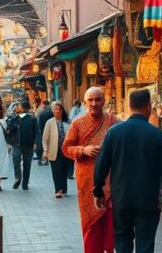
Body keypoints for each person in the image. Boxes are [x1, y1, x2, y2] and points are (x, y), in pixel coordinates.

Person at [93, 90, 162, 253]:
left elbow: (101, 165)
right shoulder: (157, 135)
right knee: (145, 243)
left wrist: (98, 191)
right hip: (148, 200)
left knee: (122, 240)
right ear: (149, 107)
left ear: (130, 107)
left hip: (121, 198)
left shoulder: (114, 133)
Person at [63, 87, 119, 253]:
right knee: (91, 221)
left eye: (97, 99)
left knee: (110, 220)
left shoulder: (114, 121)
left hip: (110, 179)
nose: (94, 103)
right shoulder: (77, 124)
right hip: (87, 180)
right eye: (90, 100)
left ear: (104, 101)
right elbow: (66, 148)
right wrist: (83, 150)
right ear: (85, 102)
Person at [42, 101, 73, 198]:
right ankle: (58, 190)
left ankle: (64, 189)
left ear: (62, 111)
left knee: (64, 171)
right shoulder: (50, 122)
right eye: (55, 109)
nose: (57, 111)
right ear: (52, 111)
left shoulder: (68, 121)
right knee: (56, 171)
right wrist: (45, 150)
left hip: (66, 151)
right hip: (53, 151)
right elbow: (45, 138)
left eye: (59, 109)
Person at [7, 100, 38, 190]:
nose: (17, 108)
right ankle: (18, 177)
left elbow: (37, 131)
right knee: (15, 159)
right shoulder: (15, 118)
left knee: (27, 164)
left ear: (23, 108)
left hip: (28, 145)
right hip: (17, 144)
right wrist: (14, 120)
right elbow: (9, 129)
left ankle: (25, 183)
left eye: (19, 106)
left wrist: (36, 142)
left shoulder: (32, 119)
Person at [35, 99, 53, 166]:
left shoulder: (41, 113)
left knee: (42, 146)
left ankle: (40, 159)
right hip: (51, 131)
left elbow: (38, 123)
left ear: (44, 105)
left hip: (42, 131)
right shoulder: (52, 113)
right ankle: (47, 160)